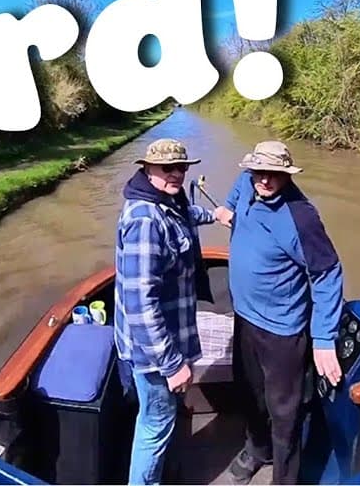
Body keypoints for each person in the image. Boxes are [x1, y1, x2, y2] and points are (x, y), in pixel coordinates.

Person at [222, 141, 345, 485]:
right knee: (248, 392)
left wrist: (323, 338)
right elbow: (233, 202)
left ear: (286, 174)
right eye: (258, 171)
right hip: (245, 316)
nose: (264, 180)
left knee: (284, 413)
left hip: (282, 331)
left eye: (273, 174)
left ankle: (284, 479)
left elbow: (328, 272)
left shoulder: (301, 217)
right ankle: (257, 449)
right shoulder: (246, 184)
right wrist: (227, 211)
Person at [115, 138, 233, 485]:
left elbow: (185, 215)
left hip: (165, 336)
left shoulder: (166, 201)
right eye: (168, 168)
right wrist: (172, 364)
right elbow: (140, 304)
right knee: (154, 424)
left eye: (182, 167)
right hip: (154, 351)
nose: (177, 174)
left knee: (156, 417)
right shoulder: (145, 220)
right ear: (147, 168)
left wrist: (216, 214)